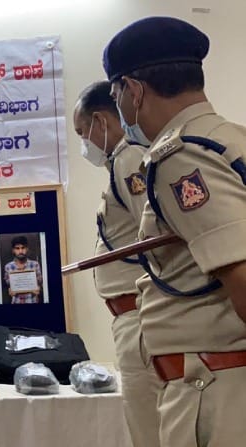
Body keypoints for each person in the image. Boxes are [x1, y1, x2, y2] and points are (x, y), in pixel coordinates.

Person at [104, 16, 246, 446]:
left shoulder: (181, 157)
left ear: (133, 90)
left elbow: (241, 273)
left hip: (213, 386)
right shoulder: (229, 138)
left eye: (115, 95)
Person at [73, 80, 161, 447]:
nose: (84, 143)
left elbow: (155, 235)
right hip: (133, 314)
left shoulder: (127, 159)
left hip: (140, 312)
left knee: (149, 428)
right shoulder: (121, 162)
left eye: (82, 132)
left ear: (101, 121)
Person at [3, 236, 42, 304]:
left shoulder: (35, 264)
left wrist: (39, 288)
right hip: (16, 302)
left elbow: (40, 283)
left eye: (23, 248)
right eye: (17, 248)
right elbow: (8, 284)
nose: (20, 251)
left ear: (27, 249)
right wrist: (10, 290)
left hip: (32, 301)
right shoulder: (8, 267)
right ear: (13, 250)